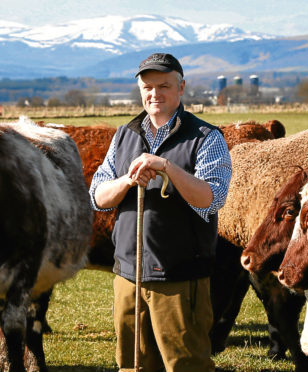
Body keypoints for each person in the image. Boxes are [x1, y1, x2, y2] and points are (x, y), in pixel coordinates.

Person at [89, 52, 232, 372]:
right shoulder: (124, 135)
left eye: (164, 86)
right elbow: (98, 197)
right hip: (128, 275)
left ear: (181, 88)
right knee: (132, 364)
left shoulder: (205, 137)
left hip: (179, 276)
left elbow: (212, 198)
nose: (155, 94)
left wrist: (166, 167)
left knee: (185, 364)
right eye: (148, 87)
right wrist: (127, 180)